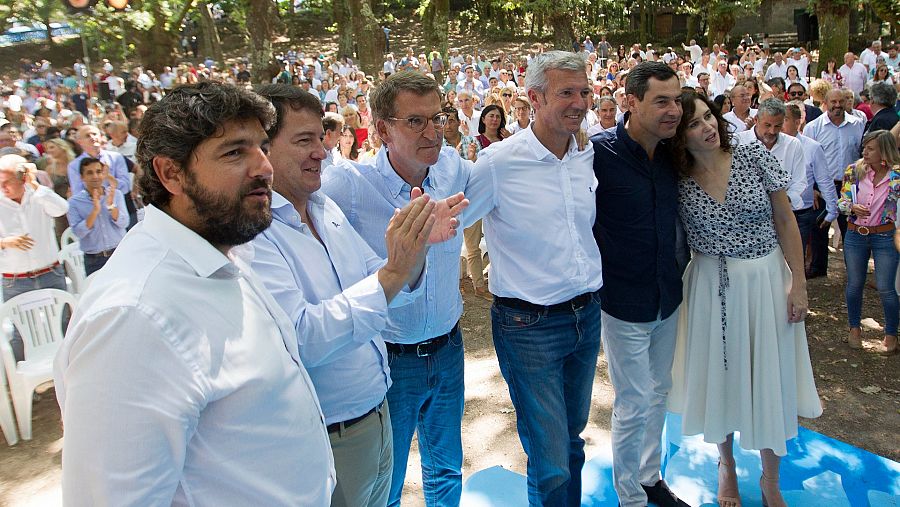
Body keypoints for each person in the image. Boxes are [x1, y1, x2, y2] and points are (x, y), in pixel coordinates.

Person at [53, 81, 336, 505]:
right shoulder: (133, 316)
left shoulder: (222, 253)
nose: (263, 167)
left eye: (261, 146)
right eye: (234, 152)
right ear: (171, 173)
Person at [251, 84, 464, 507]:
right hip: (329, 433)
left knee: (438, 472)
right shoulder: (254, 234)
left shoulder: (321, 209)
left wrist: (413, 253)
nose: (321, 152)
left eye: (320, 138)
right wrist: (394, 270)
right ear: (262, 150)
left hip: (375, 408)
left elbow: (379, 280)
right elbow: (304, 338)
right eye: (303, 140)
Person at [461, 50, 604, 506]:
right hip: (529, 327)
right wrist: (473, 269)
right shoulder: (498, 164)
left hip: (586, 316)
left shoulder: (587, 155)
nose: (579, 102)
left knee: (572, 440)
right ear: (535, 98)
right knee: (550, 457)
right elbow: (462, 223)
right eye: (567, 92)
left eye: (584, 92)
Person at [322, 71, 470, 507]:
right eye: (416, 121)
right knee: (388, 480)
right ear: (382, 129)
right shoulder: (348, 187)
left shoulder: (453, 170)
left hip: (449, 348)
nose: (432, 131)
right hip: (390, 359)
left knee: (446, 468)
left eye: (437, 118)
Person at [668, 90, 822, 507]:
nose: (707, 127)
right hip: (708, 285)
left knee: (769, 376)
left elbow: (786, 219)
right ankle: (726, 467)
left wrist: (799, 284)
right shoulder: (674, 178)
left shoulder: (755, 157)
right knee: (722, 377)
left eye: (708, 117)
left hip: (766, 281)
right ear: (679, 137)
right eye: (694, 124)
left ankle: (770, 480)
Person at [592, 61, 690, 507]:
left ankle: (651, 478)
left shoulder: (675, 154)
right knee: (633, 401)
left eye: (677, 99)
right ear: (630, 102)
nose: (674, 110)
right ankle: (629, 496)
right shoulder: (597, 155)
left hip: (668, 295)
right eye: (662, 101)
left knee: (660, 391)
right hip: (623, 300)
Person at [0, 154, 68, 361]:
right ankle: (22, 380)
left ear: (22, 178)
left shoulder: (38, 195)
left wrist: (35, 185)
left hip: (50, 273)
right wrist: (5, 242)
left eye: (6, 182)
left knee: (64, 323)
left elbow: (62, 209)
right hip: (15, 280)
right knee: (20, 334)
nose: (3, 187)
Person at [838, 130, 900, 354]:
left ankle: (891, 334)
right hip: (856, 234)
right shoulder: (854, 171)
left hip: (885, 235)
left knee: (886, 287)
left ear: (884, 150)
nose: (865, 151)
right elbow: (842, 203)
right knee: (854, 283)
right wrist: (851, 207)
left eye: (870, 148)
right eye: (864, 147)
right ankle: (854, 329)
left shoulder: (897, 176)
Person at [804, 89, 866, 276]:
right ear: (826, 102)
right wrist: (812, 189)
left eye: (841, 101)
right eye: (833, 102)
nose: (837, 105)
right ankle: (818, 267)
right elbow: (806, 160)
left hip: (850, 186)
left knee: (850, 229)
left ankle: (853, 270)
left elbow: (862, 155)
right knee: (819, 227)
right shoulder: (813, 127)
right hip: (822, 186)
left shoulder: (858, 125)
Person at [782, 101, 840, 263]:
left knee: (795, 260)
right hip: (774, 212)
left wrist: (831, 210)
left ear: (797, 121)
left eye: (785, 119)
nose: (780, 124)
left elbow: (824, 181)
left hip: (801, 214)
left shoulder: (812, 147)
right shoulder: (767, 146)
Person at [66, 157, 128, 275]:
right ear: (82, 177)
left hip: (120, 253)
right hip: (95, 260)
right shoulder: (74, 202)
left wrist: (111, 207)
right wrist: (95, 211)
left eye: (98, 172)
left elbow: (124, 223)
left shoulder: (116, 194)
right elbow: (78, 232)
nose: (95, 176)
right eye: (89, 173)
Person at [67, 124, 137, 228]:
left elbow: (125, 187)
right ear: (79, 142)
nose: (92, 137)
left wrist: (107, 176)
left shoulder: (116, 157)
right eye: (87, 135)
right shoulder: (74, 166)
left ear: (100, 137)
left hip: (124, 210)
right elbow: (78, 193)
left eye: (95, 134)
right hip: (97, 216)